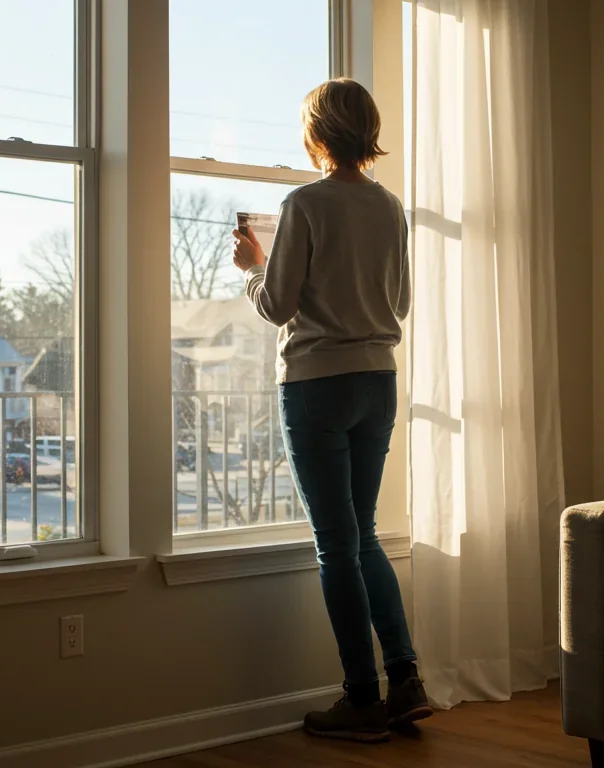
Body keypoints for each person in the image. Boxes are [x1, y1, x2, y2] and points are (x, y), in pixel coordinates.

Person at [232, 78, 428, 744]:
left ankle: (362, 698)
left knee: (335, 546)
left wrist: (252, 267)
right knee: (362, 533)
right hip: (378, 379)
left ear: (316, 133)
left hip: (317, 383)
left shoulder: (303, 204)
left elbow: (277, 306)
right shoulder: (390, 206)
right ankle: (407, 680)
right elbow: (398, 302)